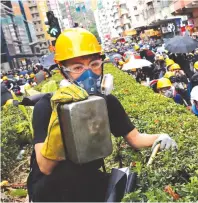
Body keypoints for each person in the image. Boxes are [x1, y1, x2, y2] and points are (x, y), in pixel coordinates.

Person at [28, 28, 178, 202]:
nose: (88, 73)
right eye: (78, 67)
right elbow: (45, 167)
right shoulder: (46, 107)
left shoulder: (106, 102)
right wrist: (59, 119)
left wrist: (160, 137)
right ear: (63, 72)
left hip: (87, 178)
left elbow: (135, 138)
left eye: (94, 65)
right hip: (50, 188)